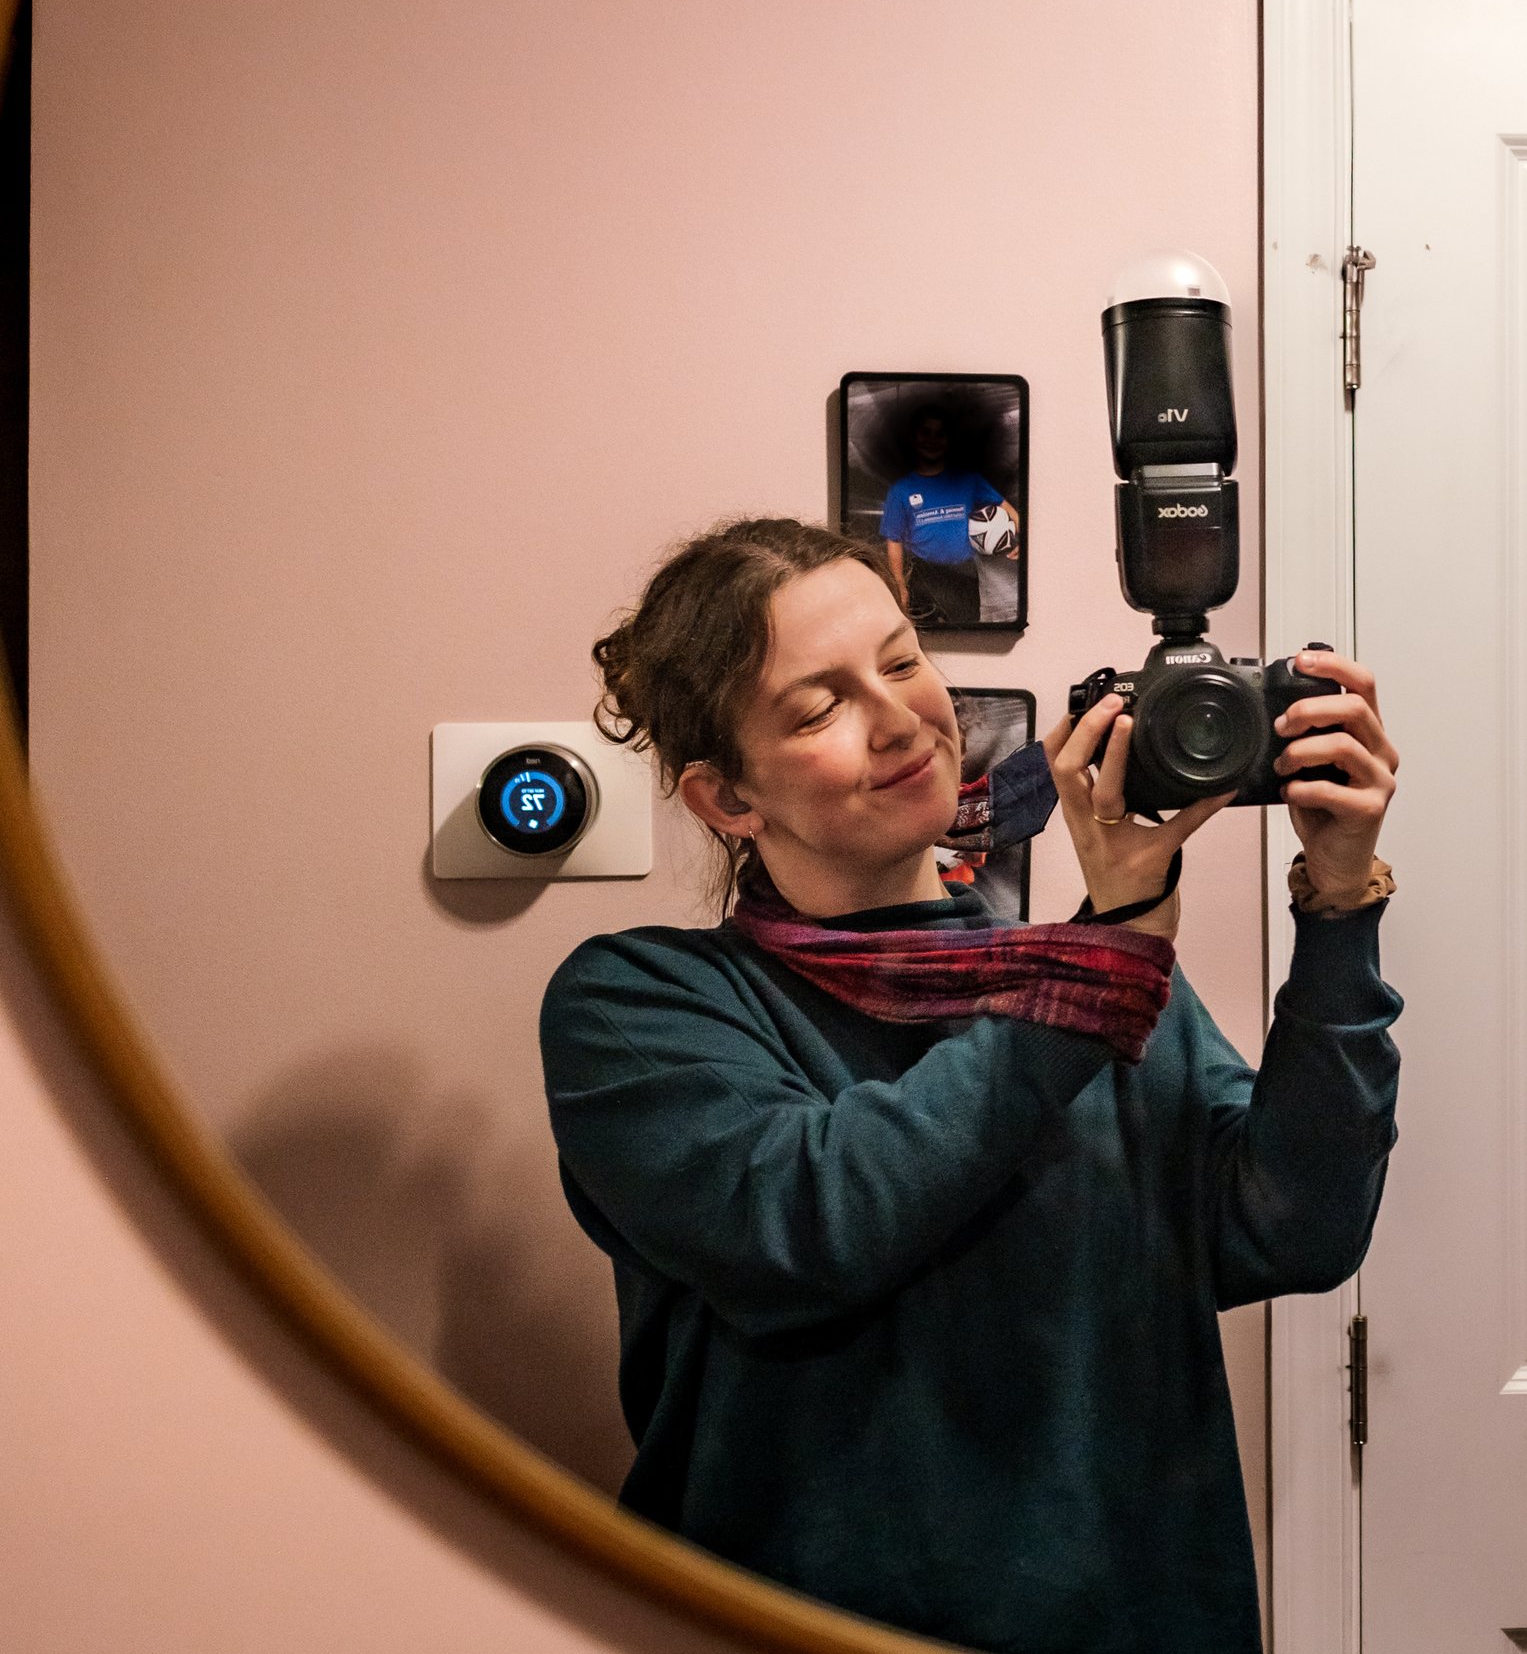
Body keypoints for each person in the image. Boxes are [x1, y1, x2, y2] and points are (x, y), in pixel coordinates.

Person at [540, 517, 1401, 1654]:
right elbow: (810, 1226)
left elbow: (1295, 1231)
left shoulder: (1095, 981)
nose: (899, 716)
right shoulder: (641, 1004)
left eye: (901, 661)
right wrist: (1107, 955)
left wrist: (1338, 906)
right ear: (727, 801)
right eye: (818, 706)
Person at [878, 405, 1018, 627]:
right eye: (926, 433)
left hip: (965, 573)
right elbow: (893, 539)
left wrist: (1020, 537)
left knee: (968, 631)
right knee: (924, 634)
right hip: (923, 574)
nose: (932, 440)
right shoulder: (901, 490)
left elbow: (1005, 506)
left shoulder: (967, 480)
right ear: (914, 439)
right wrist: (899, 584)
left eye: (940, 434)